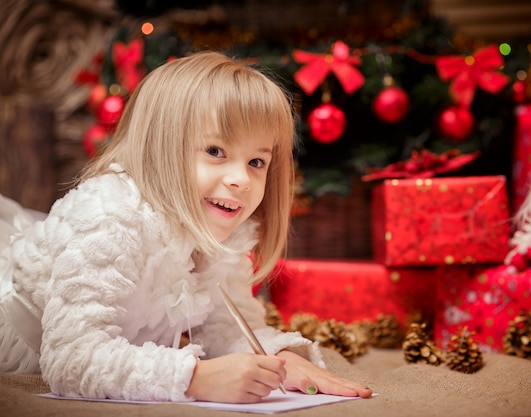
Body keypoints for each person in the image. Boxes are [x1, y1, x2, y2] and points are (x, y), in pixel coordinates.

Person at [0, 51, 372, 403]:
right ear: (159, 147)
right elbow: (72, 358)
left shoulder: (224, 235)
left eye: (257, 161)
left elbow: (225, 328)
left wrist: (278, 358)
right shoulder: (107, 215)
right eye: (215, 152)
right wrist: (194, 377)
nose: (241, 179)